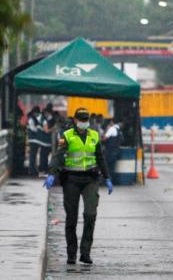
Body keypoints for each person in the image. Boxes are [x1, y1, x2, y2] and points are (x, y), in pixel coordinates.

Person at [43, 107, 113, 265]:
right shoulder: (67, 136)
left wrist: (107, 177)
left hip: (90, 179)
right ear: (75, 120)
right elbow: (58, 156)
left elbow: (100, 158)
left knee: (90, 214)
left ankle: (85, 252)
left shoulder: (94, 135)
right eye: (81, 120)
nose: (84, 122)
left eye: (86, 120)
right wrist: (52, 173)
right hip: (71, 180)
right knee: (71, 218)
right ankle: (71, 253)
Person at [27, 106, 51, 176]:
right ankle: (32, 170)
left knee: (33, 156)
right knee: (33, 156)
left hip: (34, 140)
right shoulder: (35, 119)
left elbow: (34, 128)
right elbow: (35, 129)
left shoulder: (32, 118)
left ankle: (32, 170)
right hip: (35, 140)